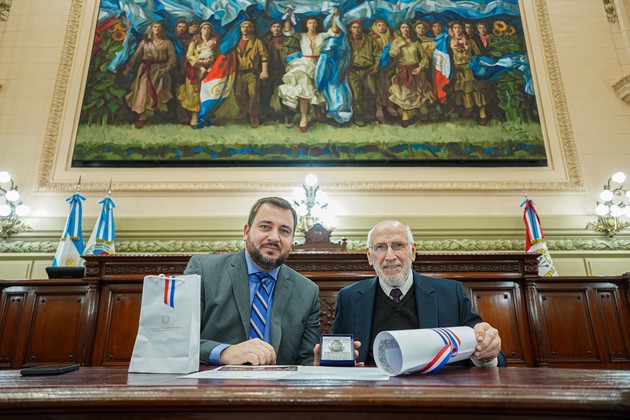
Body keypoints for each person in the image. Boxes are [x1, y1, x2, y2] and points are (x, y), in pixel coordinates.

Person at [327, 219, 502, 367]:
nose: (390, 256)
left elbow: (488, 352)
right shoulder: (349, 298)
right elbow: (336, 357)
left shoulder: (450, 294)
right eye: (380, 247)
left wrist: (487, 352)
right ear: (369, 256)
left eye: (398, 245)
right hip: (371, 392)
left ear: (412, 251)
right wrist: (326, 363)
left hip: (435, 391)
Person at [184, 197, 320, 366]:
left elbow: (307, 360)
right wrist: (223, 353)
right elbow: (179, 340)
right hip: (215, 381)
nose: (274, 237)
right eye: (265, 227)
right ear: (246, 232)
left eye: (284, 231)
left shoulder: (307, 292)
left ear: (292, 241)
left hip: (281, 382)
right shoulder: (204, 271)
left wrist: (316, 366)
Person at [277, 8, 341, 133]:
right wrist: (288, 16)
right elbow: (288, 31)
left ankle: (319, 112)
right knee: (304, 89)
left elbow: (334, 31)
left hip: (320, 64)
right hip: (304, 64)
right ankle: (304, 117)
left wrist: (335, 16)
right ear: (306, 25)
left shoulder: (322, 35)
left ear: (317, 24)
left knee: (320, 89)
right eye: (310, 23)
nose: (312, 25)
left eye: (314, 23)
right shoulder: (301, 36)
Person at [124, 21, 177, 128]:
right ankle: (142, 116)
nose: (157, 29)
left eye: (159, 27)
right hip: (145, 70)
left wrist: (167, 68)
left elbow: (172, 58)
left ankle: (157, 114)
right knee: (142, 90)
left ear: (163, 29)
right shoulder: (145, 42)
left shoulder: (167, 43)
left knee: (158, 93)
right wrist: (129, 68)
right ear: (151, 29)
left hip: (160, 70)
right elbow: (136, 56)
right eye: (155, 27)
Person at [388, 22, 434, 127]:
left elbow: (424, 57)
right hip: (402, 71)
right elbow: (392, 54)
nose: (405, 29)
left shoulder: (415, 42)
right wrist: (399, 46)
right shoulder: (397, 41)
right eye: (403, 27)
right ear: (400, 29)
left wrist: (420, 68)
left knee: (419, 92)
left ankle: (421, 113)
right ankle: (405, 115)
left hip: (415, 70)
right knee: (403, 94)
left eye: (407, 27)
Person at [177, 22, 219, 128]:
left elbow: (218, 55)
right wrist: (200, 62)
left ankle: (205, 115)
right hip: (195, 71)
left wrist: (211, 63)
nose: (206, 30)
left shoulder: (214, 43)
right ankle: (194, 116)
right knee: (194, 93)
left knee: (206, 92)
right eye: (204, 28)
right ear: (201, 30)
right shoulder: (195, 42)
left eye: (208, 28)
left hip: (209, 71)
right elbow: (189, 56)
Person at [234, 20, 269, 128]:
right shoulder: (235, 41)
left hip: (252, 72)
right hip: (239, 72)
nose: (245, 29)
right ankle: (244, 110)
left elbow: (264, 56)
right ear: (240, 29)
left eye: (248, 26)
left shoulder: (257, 42)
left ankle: (254, 116)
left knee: (253, 94)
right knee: (238, 94)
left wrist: (264, 70)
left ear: (252, 29)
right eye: (243, 27)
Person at [346, 19, 381, 127]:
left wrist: (376, 66)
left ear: (362, 28)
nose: (356, 30)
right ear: (350, 29)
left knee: (370, 93)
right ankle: (359, 117)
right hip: (353, 71)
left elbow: (378, 54)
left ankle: (370, 115)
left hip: (368, 70)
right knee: (356, 96)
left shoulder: (370, 40)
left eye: (358, 27)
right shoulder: (346, 41)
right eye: (354, 27)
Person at [369, 18, 398, 123]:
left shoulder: (392, 39)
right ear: (375, 27)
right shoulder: (372, 38)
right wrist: (376, 65)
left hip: (389, 67)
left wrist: (392, 65)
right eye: (379, 25)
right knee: (379, 87)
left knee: (389, 86)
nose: (381, 28)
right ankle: (379, 108)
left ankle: (390, 105)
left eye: (383, 25)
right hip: (377, 67)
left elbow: (395, 53)